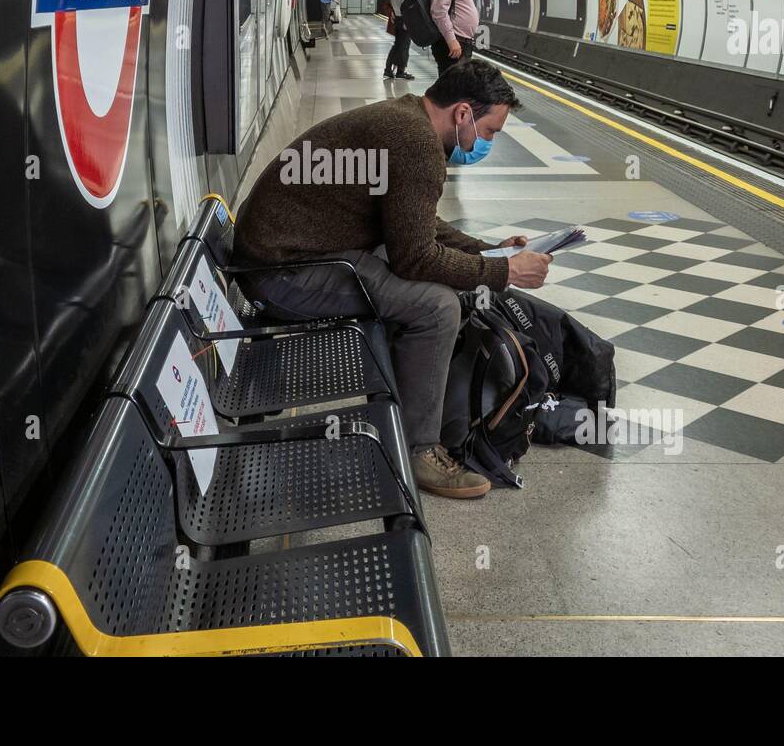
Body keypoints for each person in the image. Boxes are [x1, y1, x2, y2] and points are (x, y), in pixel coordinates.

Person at [232, 61, 553, 499]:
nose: (487, 142)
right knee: (438, 307)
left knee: (436, 288)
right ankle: (418, 450)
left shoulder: (407, 118)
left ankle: (402, 409)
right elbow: (415, 257)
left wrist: (486, 251)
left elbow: (419, 224)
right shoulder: (417, 143)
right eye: (490, 131)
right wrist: (504, 271)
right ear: (462, 113)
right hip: (283, 272)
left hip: (284, 251)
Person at [384, 0, 416, 80]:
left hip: (397, 16)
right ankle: (400, 71)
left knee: (398, 44)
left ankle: (389, 69)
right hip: (404, 17)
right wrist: (409, 18)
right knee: (404, 45)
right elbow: (405, 1)